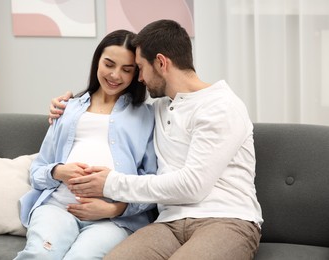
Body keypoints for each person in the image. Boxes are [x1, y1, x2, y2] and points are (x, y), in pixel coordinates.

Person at [50, 19, 263, 260]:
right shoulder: (159, 109)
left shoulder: (221, 107)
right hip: (168, 224)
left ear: (161, 63)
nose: (139, 78)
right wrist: (66, 106)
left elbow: (192, 186)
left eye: (140, 67)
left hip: (225, 219)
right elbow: (111, 117)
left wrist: (110, 184)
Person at [15, 29, 157, 260]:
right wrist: (58, 171)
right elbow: (37, 172)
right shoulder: (67, 109)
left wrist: (116, 208)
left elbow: (152, 182)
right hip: (58, 207)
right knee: (40, 254)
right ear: (97, 62)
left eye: (127, 69)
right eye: (109, 64)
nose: (115, 75)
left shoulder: (147, 116)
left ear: (136, 73)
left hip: (112, 221)